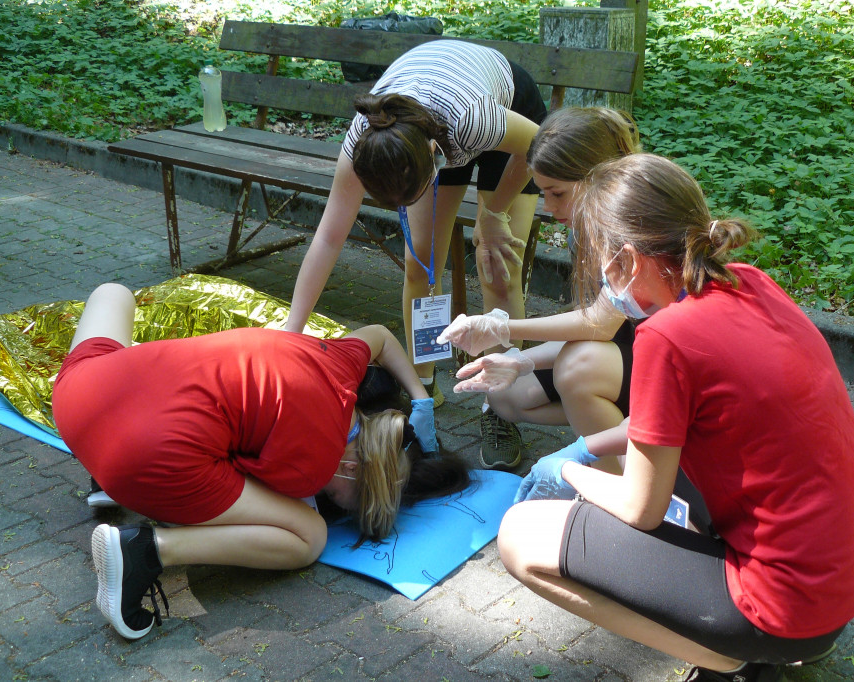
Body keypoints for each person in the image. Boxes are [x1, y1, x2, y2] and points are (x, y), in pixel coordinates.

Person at [496, 154, 854, 681]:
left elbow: (641, 509)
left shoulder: (665, 336)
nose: (600, 280)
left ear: (628, 261)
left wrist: (567, 470)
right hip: (845, 577)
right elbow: (666, 427)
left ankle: (729, 659)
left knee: (520, 533)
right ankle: (753, 641)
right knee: (661, 473)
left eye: (598, 262)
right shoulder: (748, 282)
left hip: (786, 609)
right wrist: (591, 446)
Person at [52, 283, 469, 640]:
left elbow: (379, 334)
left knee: (113, 294)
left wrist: (420, 397)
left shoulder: (338, 364)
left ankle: (100, 470)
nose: (342, 506)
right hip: (140, 459)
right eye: (352, 501)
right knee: (309, 536)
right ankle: (145, 551)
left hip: (80, 395)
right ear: (353, 469)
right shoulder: (316, 465)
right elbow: (275, 506)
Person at [282, 40, 547, 418]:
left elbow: (539, 145)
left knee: (497, 267)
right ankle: (422, 385)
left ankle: (501, 407)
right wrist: (292, 331)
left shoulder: (473, 121)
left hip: (508, 116)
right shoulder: (366, 141)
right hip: (424, 125)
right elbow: (328, 237)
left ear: (431, 158)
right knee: (421, 264)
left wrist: (494, 213)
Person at [437, 107, 641, 469]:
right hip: (621, 358)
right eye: (543, 192)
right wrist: (519, 360)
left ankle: (620, 478)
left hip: (660, 366)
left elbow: (599, 325)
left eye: (557, 193)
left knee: (578, 370)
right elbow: (594, 329)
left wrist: (502, 328)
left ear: (598, 177)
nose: (548, 207)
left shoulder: (626, 229)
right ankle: (614, 424)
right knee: (505, 397)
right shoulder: (584, 227)